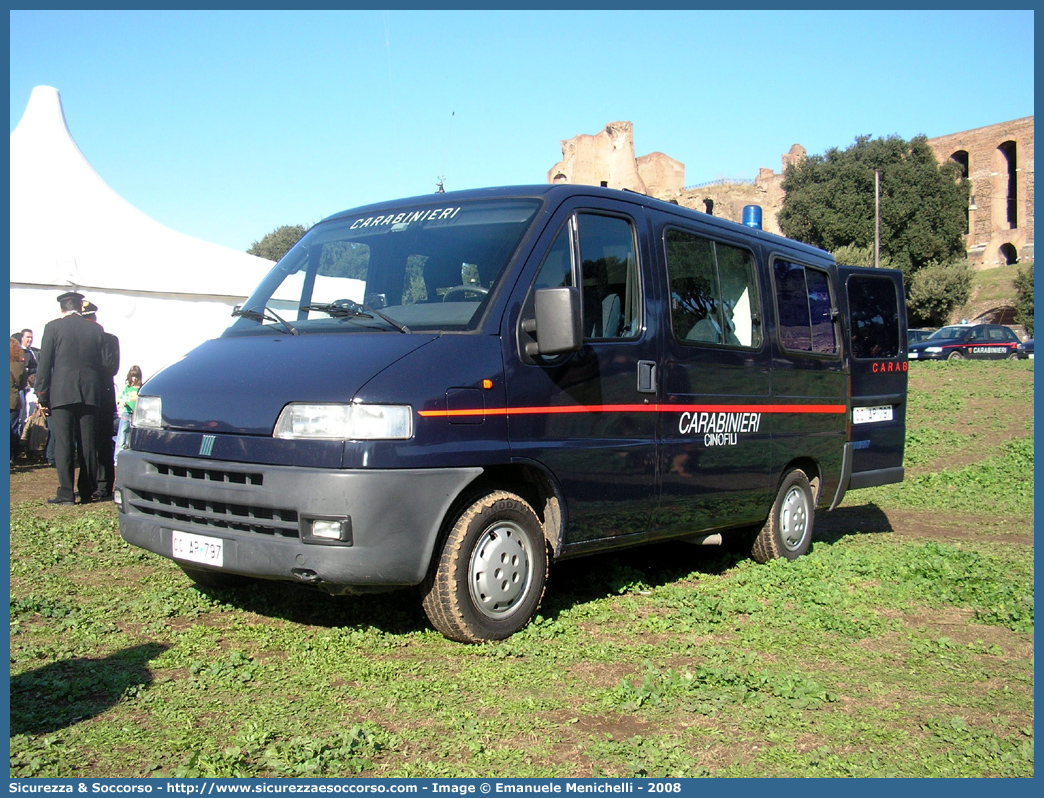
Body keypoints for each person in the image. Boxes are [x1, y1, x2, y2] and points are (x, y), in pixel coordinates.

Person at [34, 291, 112, 505]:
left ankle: (66, 493)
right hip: (89, 392)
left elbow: (45, 363)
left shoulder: (53, 327)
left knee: (64, 443)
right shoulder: (96, 330)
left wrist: (41, 393)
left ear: (62, 308)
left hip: (61, 392)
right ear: (80, 307)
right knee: (88, 444)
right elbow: (104, 365)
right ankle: (87, 491)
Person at [80, 301, 120, 500]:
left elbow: (111, 368)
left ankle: (103, 485)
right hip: (87, 396)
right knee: (87, 442)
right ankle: (90, 482)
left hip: (102, 398)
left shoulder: (109, 340)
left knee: (103, 442)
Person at [115, 365, 142, 455]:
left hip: (136, 416)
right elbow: (119, 398)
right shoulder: (127, 387)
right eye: (132, 376)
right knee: (122, 435)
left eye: (136, 376)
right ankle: (117, 457)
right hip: (126, 414)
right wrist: (121, 401)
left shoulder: (140, 389)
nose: (134, 379)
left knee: (133, 437)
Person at [10, 337, 28, 462]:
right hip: (13, 399)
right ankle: (12, 455)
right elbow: (23, 384)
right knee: (13, 427)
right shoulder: (20, 366)